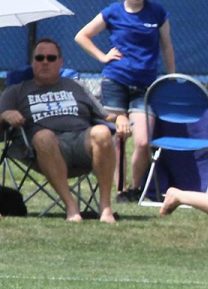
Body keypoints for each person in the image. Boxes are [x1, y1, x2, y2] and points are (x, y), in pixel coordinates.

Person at [0, 39, 118, 223]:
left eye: (51, 58)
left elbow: (105, 117)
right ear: (32, 63)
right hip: (42, 149)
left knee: (102, 132)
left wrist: (122, 118)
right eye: (39, 58)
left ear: (60, 62)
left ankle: (105, 208)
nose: (45, 62)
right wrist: (5, 115)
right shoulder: (16, 91)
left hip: (81, 142)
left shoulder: (76, 86)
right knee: (44, 136)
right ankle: (71, 208)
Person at [74, 0, 175, 202]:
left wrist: (171, 76)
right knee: (118, 138)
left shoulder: (157, 12)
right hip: (115, 82)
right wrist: (103, 57)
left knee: (143, 141)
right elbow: (81, 36)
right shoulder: (112, 12)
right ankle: (120, 191)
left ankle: (135, 189)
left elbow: (167, 46)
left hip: (145, 87)